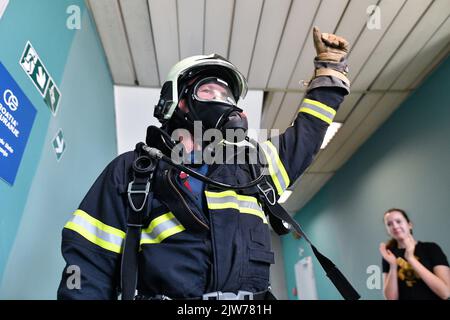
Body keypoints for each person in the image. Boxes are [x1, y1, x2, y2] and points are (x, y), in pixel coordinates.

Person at [57, 27, 351, 300]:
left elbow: (308, 135)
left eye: (227, 95)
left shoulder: (252, 167)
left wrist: (330, 72)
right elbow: (90, 262)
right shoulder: (133, 172)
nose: (222, 100)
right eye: (208, 91)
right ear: (178, 101)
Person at [379, 208, 450, 300]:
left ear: (409, 225)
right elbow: (391, 299)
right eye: (389, 224)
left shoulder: (431, 248)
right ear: (388, 230)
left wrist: (411, 258)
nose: (395, 226)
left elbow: (446, 293)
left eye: (398, 221)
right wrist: (393, 265)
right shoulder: (389, 255)